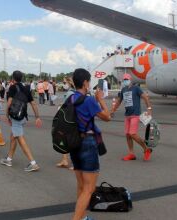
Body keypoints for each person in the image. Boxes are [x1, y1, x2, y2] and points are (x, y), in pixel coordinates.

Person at [70, 68, 111, 220]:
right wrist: (100, 99)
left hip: (73, 143)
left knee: (81, 185)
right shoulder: (89, 100)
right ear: (86, 82)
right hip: (87, 142)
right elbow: (107, 117)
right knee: (89, 188)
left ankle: (82, 217)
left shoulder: (70, 98)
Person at [0, 70, 42, 172]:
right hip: (22, 116)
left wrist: (6, 115)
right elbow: (33, 104)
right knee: (13, 136)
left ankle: (33, 163)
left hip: (15, 117)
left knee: (20, 138)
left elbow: (9, 102)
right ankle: (9, 159)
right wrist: (37, 117)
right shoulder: (26, 88)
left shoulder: (12, 87)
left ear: (13, 78)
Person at [111, 73, 153, 161]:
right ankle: (131, 154)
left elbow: (145, 97)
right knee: (127, 134)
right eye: (124, 80)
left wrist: (149, 108)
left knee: (132, 133)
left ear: (130, 80)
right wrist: (113, 110)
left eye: (127, 79)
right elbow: (119, 101)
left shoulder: (136, 88)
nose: (125, 81)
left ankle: (146, 149)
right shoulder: (123, 90)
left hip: (135, 114)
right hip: (127, 115)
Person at [56, 76, 76, 169]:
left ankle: (76, 162)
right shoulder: (73, 92)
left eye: (64, 83)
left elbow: (68, 105)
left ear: (69, 83)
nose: (63, 85)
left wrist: (61, 106)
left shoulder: (70, 93)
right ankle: (65, 159)